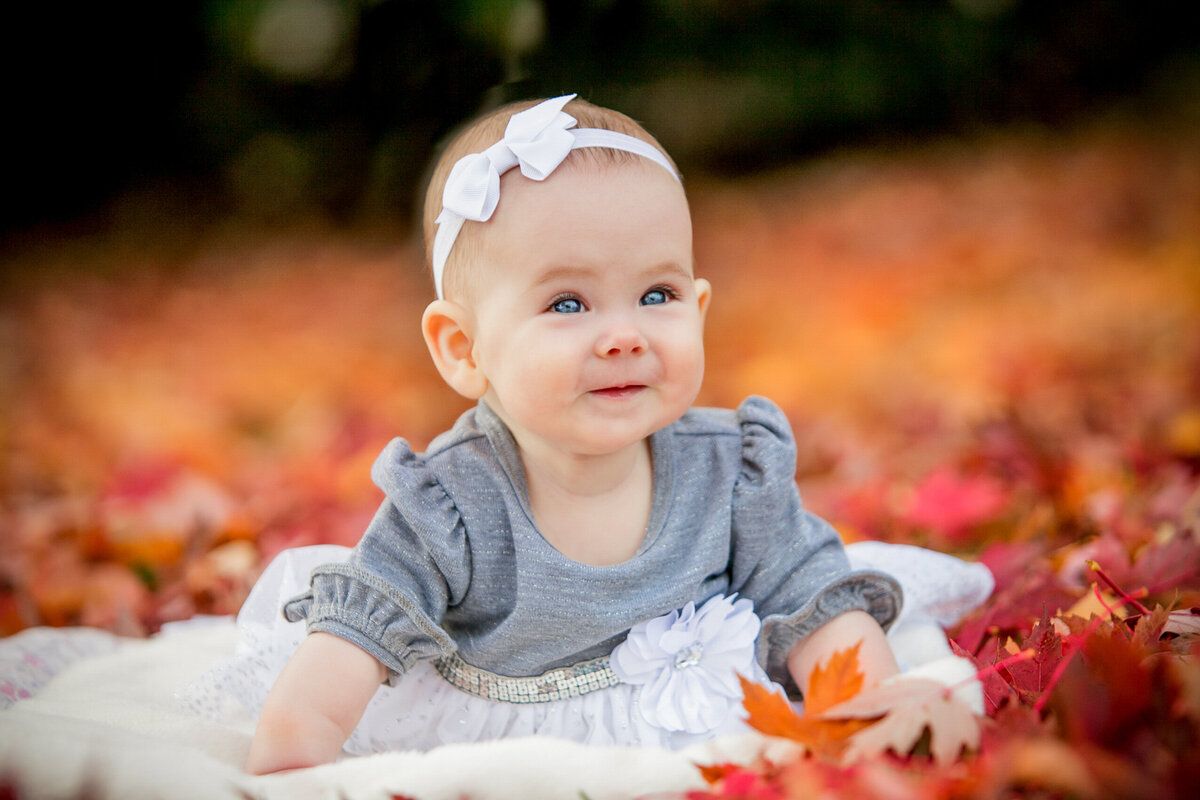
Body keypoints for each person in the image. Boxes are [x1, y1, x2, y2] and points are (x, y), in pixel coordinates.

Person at [194, 94, 991, 774]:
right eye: (569, 304)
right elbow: (354, 643)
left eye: (656, 294)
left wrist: (868, 704)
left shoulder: (730, 470)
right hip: (507, 730)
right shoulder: (450, 504)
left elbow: (808, 595)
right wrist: (298, 755)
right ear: (464, 349)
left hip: (693, 704)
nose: (624, 336)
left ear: (699, 308)